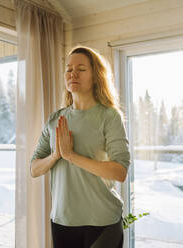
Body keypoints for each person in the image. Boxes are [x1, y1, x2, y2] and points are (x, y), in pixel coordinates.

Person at [30, 45, 130, 248]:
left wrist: (71, 155)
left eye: (81, 69)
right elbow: (33, 169)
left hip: (102, 222)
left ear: (95, 76)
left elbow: (119, 171)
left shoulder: (109, 116)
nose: (73, 74)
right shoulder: (54, 119)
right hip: (62, 221)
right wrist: (55, 156)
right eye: (69, 69)